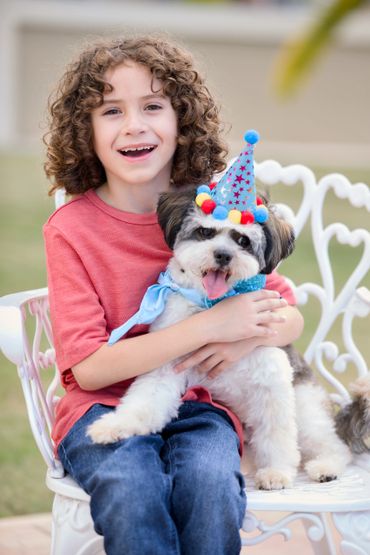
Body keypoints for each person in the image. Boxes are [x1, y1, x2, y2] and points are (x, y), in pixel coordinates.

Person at [43, 35, 304, 555]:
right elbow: (88, 370)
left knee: (209, 486)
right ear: (85, 131)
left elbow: (286, 314)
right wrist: (209, 326)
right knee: (132, 488)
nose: (134, 124)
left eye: (153, 106)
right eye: (110, 110)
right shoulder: (72, 230)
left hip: (204, 404)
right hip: (102, 406)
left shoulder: (219, 213)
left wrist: (240, 341)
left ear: (181, 119)